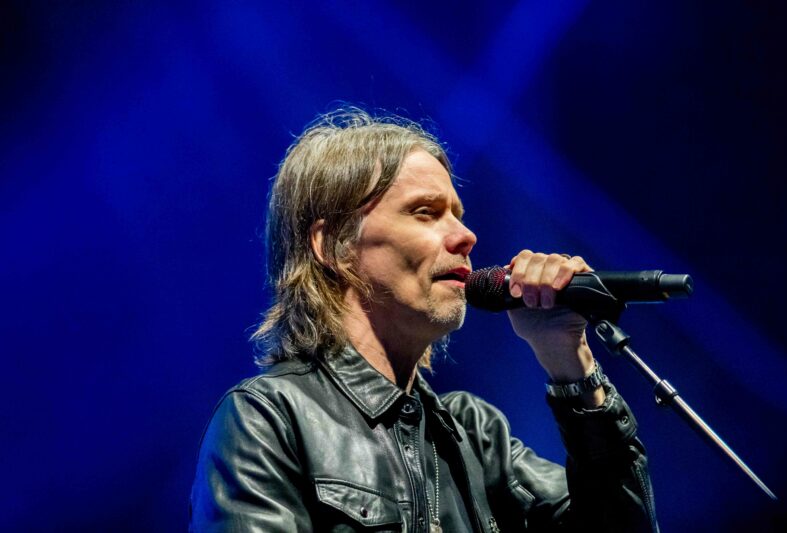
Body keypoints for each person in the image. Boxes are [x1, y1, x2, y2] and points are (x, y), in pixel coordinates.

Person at [190, 108, 658, 532]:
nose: (466, 236)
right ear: (333, 245)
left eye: (457, 215)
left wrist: (566, 356)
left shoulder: (475, 435)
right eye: (426, 213)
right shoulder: (270, 419)